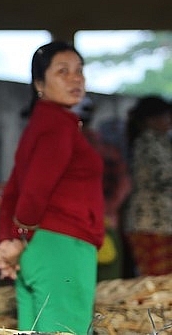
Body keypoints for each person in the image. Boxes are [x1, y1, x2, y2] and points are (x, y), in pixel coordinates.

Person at [0, 42, 104, 334]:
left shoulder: (40, 124)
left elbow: (13, 192)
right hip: (62, 247)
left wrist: (10, 242)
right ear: (39, 83)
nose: (76, 78)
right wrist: (17, 239)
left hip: (38, 252)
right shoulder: (58, 125)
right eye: (63, 72)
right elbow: (32, 193)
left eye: (79, 71)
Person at [73, 97, 132, 281]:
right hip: (101, 224)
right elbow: (124, 184)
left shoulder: (81, 148)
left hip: (87, 228)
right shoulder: (105, 149)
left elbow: (123, 183)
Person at [122, 95, 172, 276]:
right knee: (157, 282)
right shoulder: (147, 142)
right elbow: (163, 176)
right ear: (152, 119)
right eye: (166, 116)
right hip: (150, 223)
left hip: (160, 223)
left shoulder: (161, 141)